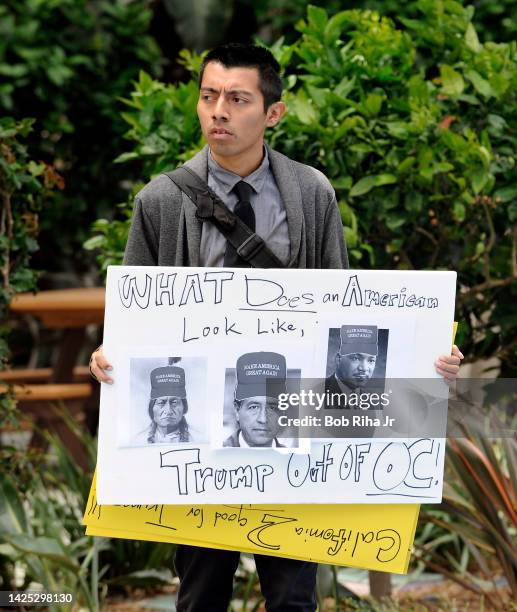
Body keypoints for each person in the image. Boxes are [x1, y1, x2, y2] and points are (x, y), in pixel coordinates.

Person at [89, 43, 464, 612]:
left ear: (273, 113)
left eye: (238, 99)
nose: (219, 111)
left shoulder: (311, 194)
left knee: (292, 597)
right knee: (200, 595)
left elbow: (345, 314)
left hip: (291, 427)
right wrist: (109, 353)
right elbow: (136, 317)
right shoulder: (162, 201)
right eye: (208, 95)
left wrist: (429, 355)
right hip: (201, 450)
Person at [223, 351, 287, 448]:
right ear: (237, 411)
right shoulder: (218, 454)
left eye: (273, 408)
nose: (263, 419)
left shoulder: (294, 456)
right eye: (254, 407)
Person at [139, 361, 192, 444]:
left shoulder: (199, 439)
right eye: (161, 403)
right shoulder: (138, 441)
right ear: (151, 409)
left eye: (174, 402)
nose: (168, 411)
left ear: (184, 408)